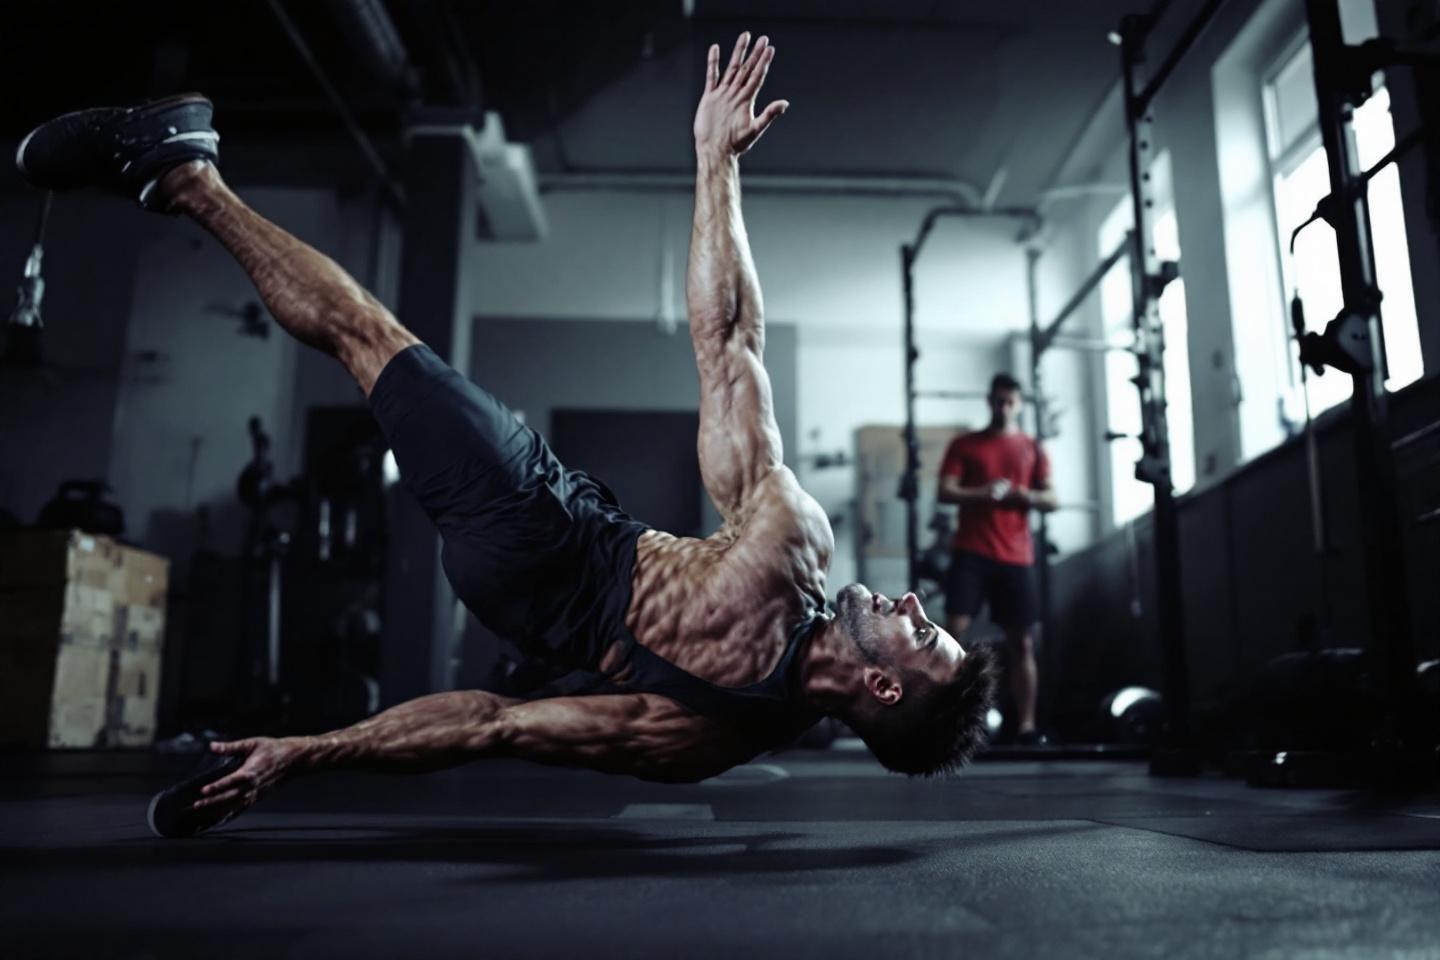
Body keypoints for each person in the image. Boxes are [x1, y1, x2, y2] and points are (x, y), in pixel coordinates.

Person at [17, 34, 996, 837]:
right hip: (549, 536)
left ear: (881, 683)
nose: (912, 601)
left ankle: (184, 170)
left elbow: (498, 726)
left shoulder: (711, 727)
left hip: (534, 546)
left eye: (921, 632)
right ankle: (181, 173)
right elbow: (730, 342)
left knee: (371, 337)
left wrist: (307, 753)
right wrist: (713, 164)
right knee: (375, 345)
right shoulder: (789, 554)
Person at [936, 374, 1056, 745]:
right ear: (989, 401)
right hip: (972, 550)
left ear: (1018, 404)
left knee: (1022, 643)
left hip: (1016, 556)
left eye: (1010, 401)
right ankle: (948, 722)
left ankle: (1026, 726)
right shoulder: (965, 444)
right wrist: (984, 492)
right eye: (998, 401)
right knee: (953, 633)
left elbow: (1052, 498)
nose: (1003, 407)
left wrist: (1022, 494)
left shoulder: (1032, 448)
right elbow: (945, 490)